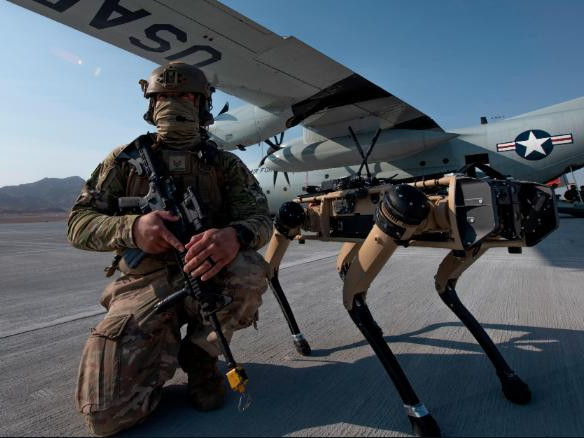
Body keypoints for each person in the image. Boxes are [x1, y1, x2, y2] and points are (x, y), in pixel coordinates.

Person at [67, 62, 273, 436]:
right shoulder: (125, 160)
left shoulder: (224, 164)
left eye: (186, 96)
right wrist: (131, 228)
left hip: (207, 270)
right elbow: (78, 224)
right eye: (164, 96)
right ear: (151, 104)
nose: (175, 103)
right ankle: (155, 352)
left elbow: (261, 219)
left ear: (202, 105)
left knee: (250, 269)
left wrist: (235, 235)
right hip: (144, 281)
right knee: (105, 416)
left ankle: (200, 357)